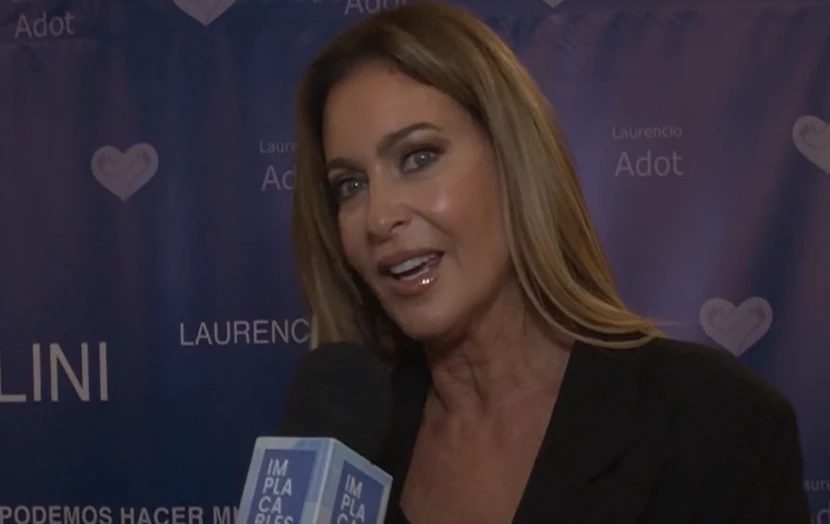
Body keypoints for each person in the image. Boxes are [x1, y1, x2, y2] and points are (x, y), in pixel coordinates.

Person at [289, 2, 812, 523]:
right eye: (349, 185)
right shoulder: (351, 449)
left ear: (513, 160)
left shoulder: (720, 425)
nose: (379, 217)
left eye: (419, 156)